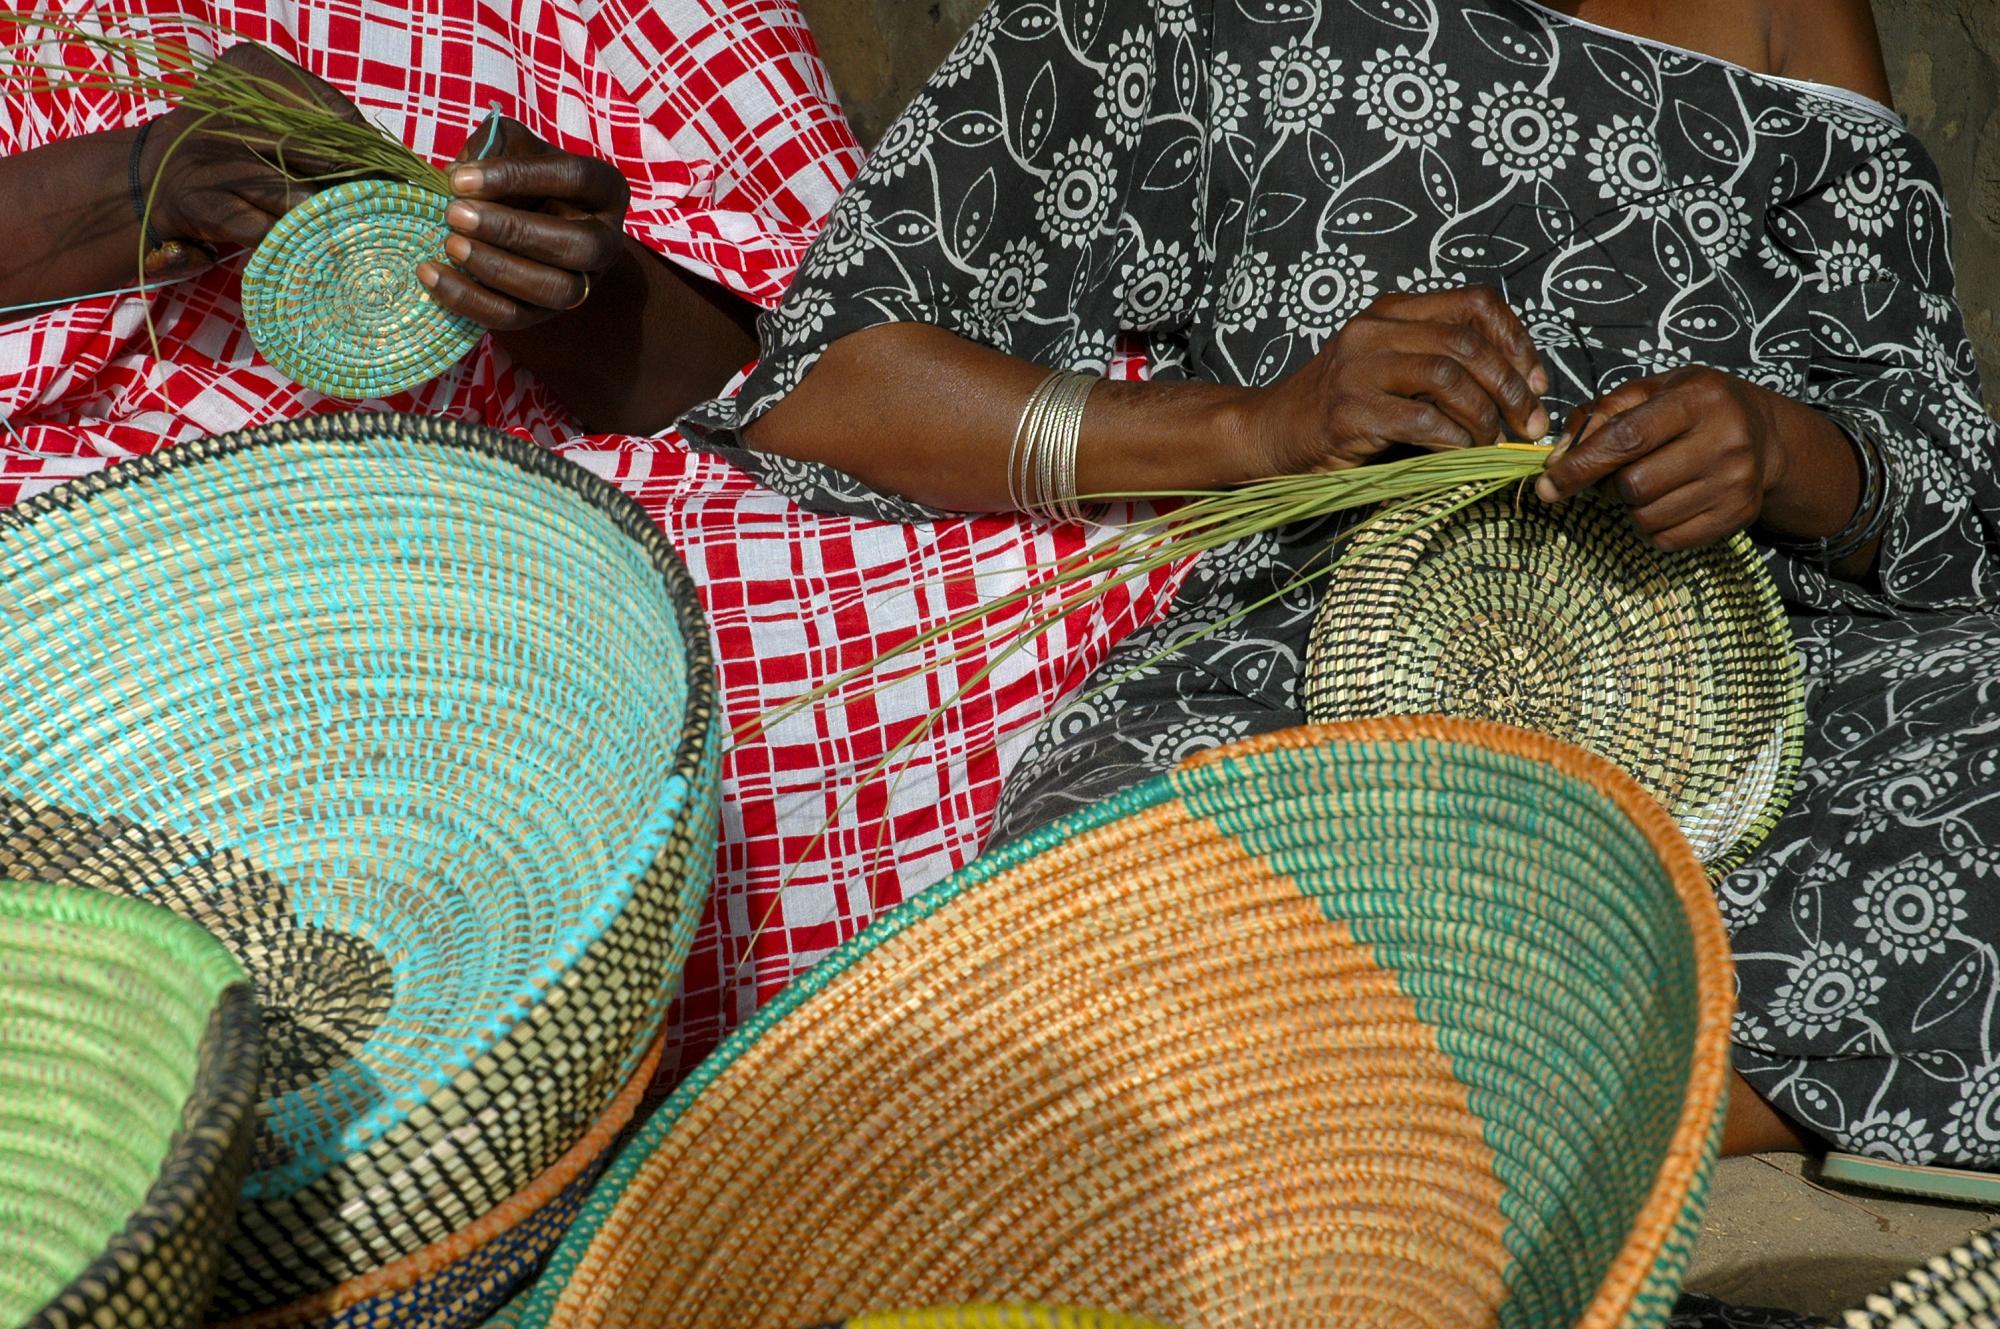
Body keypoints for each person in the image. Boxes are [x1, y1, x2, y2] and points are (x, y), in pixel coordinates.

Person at [679, 0, 2000, 1173]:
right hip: (1316, 680)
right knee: (1095, 934)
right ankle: (1549, 1116)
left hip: (1764, 704)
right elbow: (828, 385)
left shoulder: (1788, 15)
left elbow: (1941, 464)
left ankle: (1461, 1139)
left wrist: (1786, 453)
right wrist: (1257, 426)